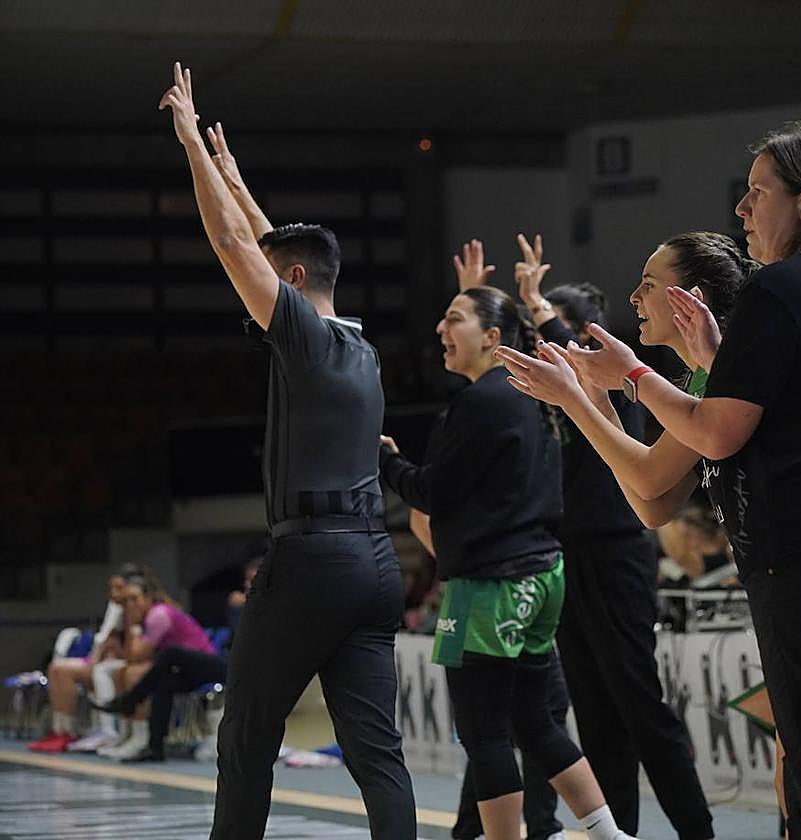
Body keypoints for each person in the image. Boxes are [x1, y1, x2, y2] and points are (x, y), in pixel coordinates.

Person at [503, 122, 801, 839]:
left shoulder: (784, 289)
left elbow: (711, 435)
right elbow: (663, 489)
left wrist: (628, 380)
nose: (741, 210)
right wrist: (624, 387)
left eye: (757, 193)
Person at [157, 63, 415, 840]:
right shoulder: (355, 343)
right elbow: (272, 247)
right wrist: (236, 175)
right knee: (379, 757)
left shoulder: (303, 339)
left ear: (293, 283)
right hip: (375, 564)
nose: (256, 294)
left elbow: (238, 246)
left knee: (244, 743)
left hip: (312, 563)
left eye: (273, 282)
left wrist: (192, 150)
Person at [456, 234, 717, 840]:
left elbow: (568, 346)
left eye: (564, 329)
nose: (554, 344)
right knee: (595, 714)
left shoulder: (610, 379)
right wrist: (477, 297)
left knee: (638, 702)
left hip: (618, 546)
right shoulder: (546, 397)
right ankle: (618, 831)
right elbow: (495, 351)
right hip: (569, 549)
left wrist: (534, 301)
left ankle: (697, 832)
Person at [379, 285, 637, 840]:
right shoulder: (530, 394)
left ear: (493, 337)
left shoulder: (480, 402)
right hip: (544, 576)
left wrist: (388, 462)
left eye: (454, 319)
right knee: (534, 720)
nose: (441, 331)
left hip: (490, 585)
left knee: (484, 732)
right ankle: (609, 835)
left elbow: (432, 491)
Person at [91, 575, 223, 763]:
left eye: (135, 599)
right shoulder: (144, 619)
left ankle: (129, 700)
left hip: (212, 666)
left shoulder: (158, 614)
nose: (130, 605)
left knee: (171, 653)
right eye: (126, 601)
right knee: (163, 684)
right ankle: (155, 747)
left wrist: (134, 626)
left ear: (148, 598)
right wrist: (132, 625)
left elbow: (137, 656)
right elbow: (131, 657)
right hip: (188, 673)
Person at [28, 565, 141, 754]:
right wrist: (94, 659)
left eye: (119, 588)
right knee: (58, 669)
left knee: (100, 672)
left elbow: (132, 648)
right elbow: (104, 639)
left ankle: (109, 731)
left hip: (124, 663)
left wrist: (103, 657)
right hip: (105, 660)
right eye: (111, 588)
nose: (114, 593)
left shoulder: (138, 608)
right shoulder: (115, 608)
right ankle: (63, 731)